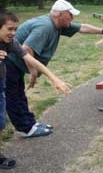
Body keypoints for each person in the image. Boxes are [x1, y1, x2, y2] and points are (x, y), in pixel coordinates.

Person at [5, 0, 103, 138]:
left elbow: (82, 27)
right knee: (14, 97)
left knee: (19, 94)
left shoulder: (58, 24)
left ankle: (30, 124)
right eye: (70, 14)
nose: (73, 18)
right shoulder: (45, 26)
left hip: (16, 64)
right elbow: (27, 48)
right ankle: (25, 128)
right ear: (59, 15)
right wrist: (33, 72)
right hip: (9, 63)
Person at [0, 11, 71, 169]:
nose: (13, 33)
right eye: (9, 29)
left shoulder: (11, 43)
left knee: (0, 123)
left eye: (15, 29)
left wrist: (55, 79)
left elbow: (30, 59)